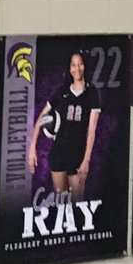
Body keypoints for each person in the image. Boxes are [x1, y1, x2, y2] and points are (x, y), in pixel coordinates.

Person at [28, 49, 101, 201]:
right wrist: (32, 148)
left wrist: (86, 160)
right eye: (73, 65)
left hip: (78, 154)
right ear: (69, 68)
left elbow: (92, 130)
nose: (77, 68)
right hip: (59, 152)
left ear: (85, 66)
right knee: (61, 203)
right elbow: (41, 117)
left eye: (80, 64)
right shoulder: (61, 92)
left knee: (76, 203)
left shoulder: (92, 93)